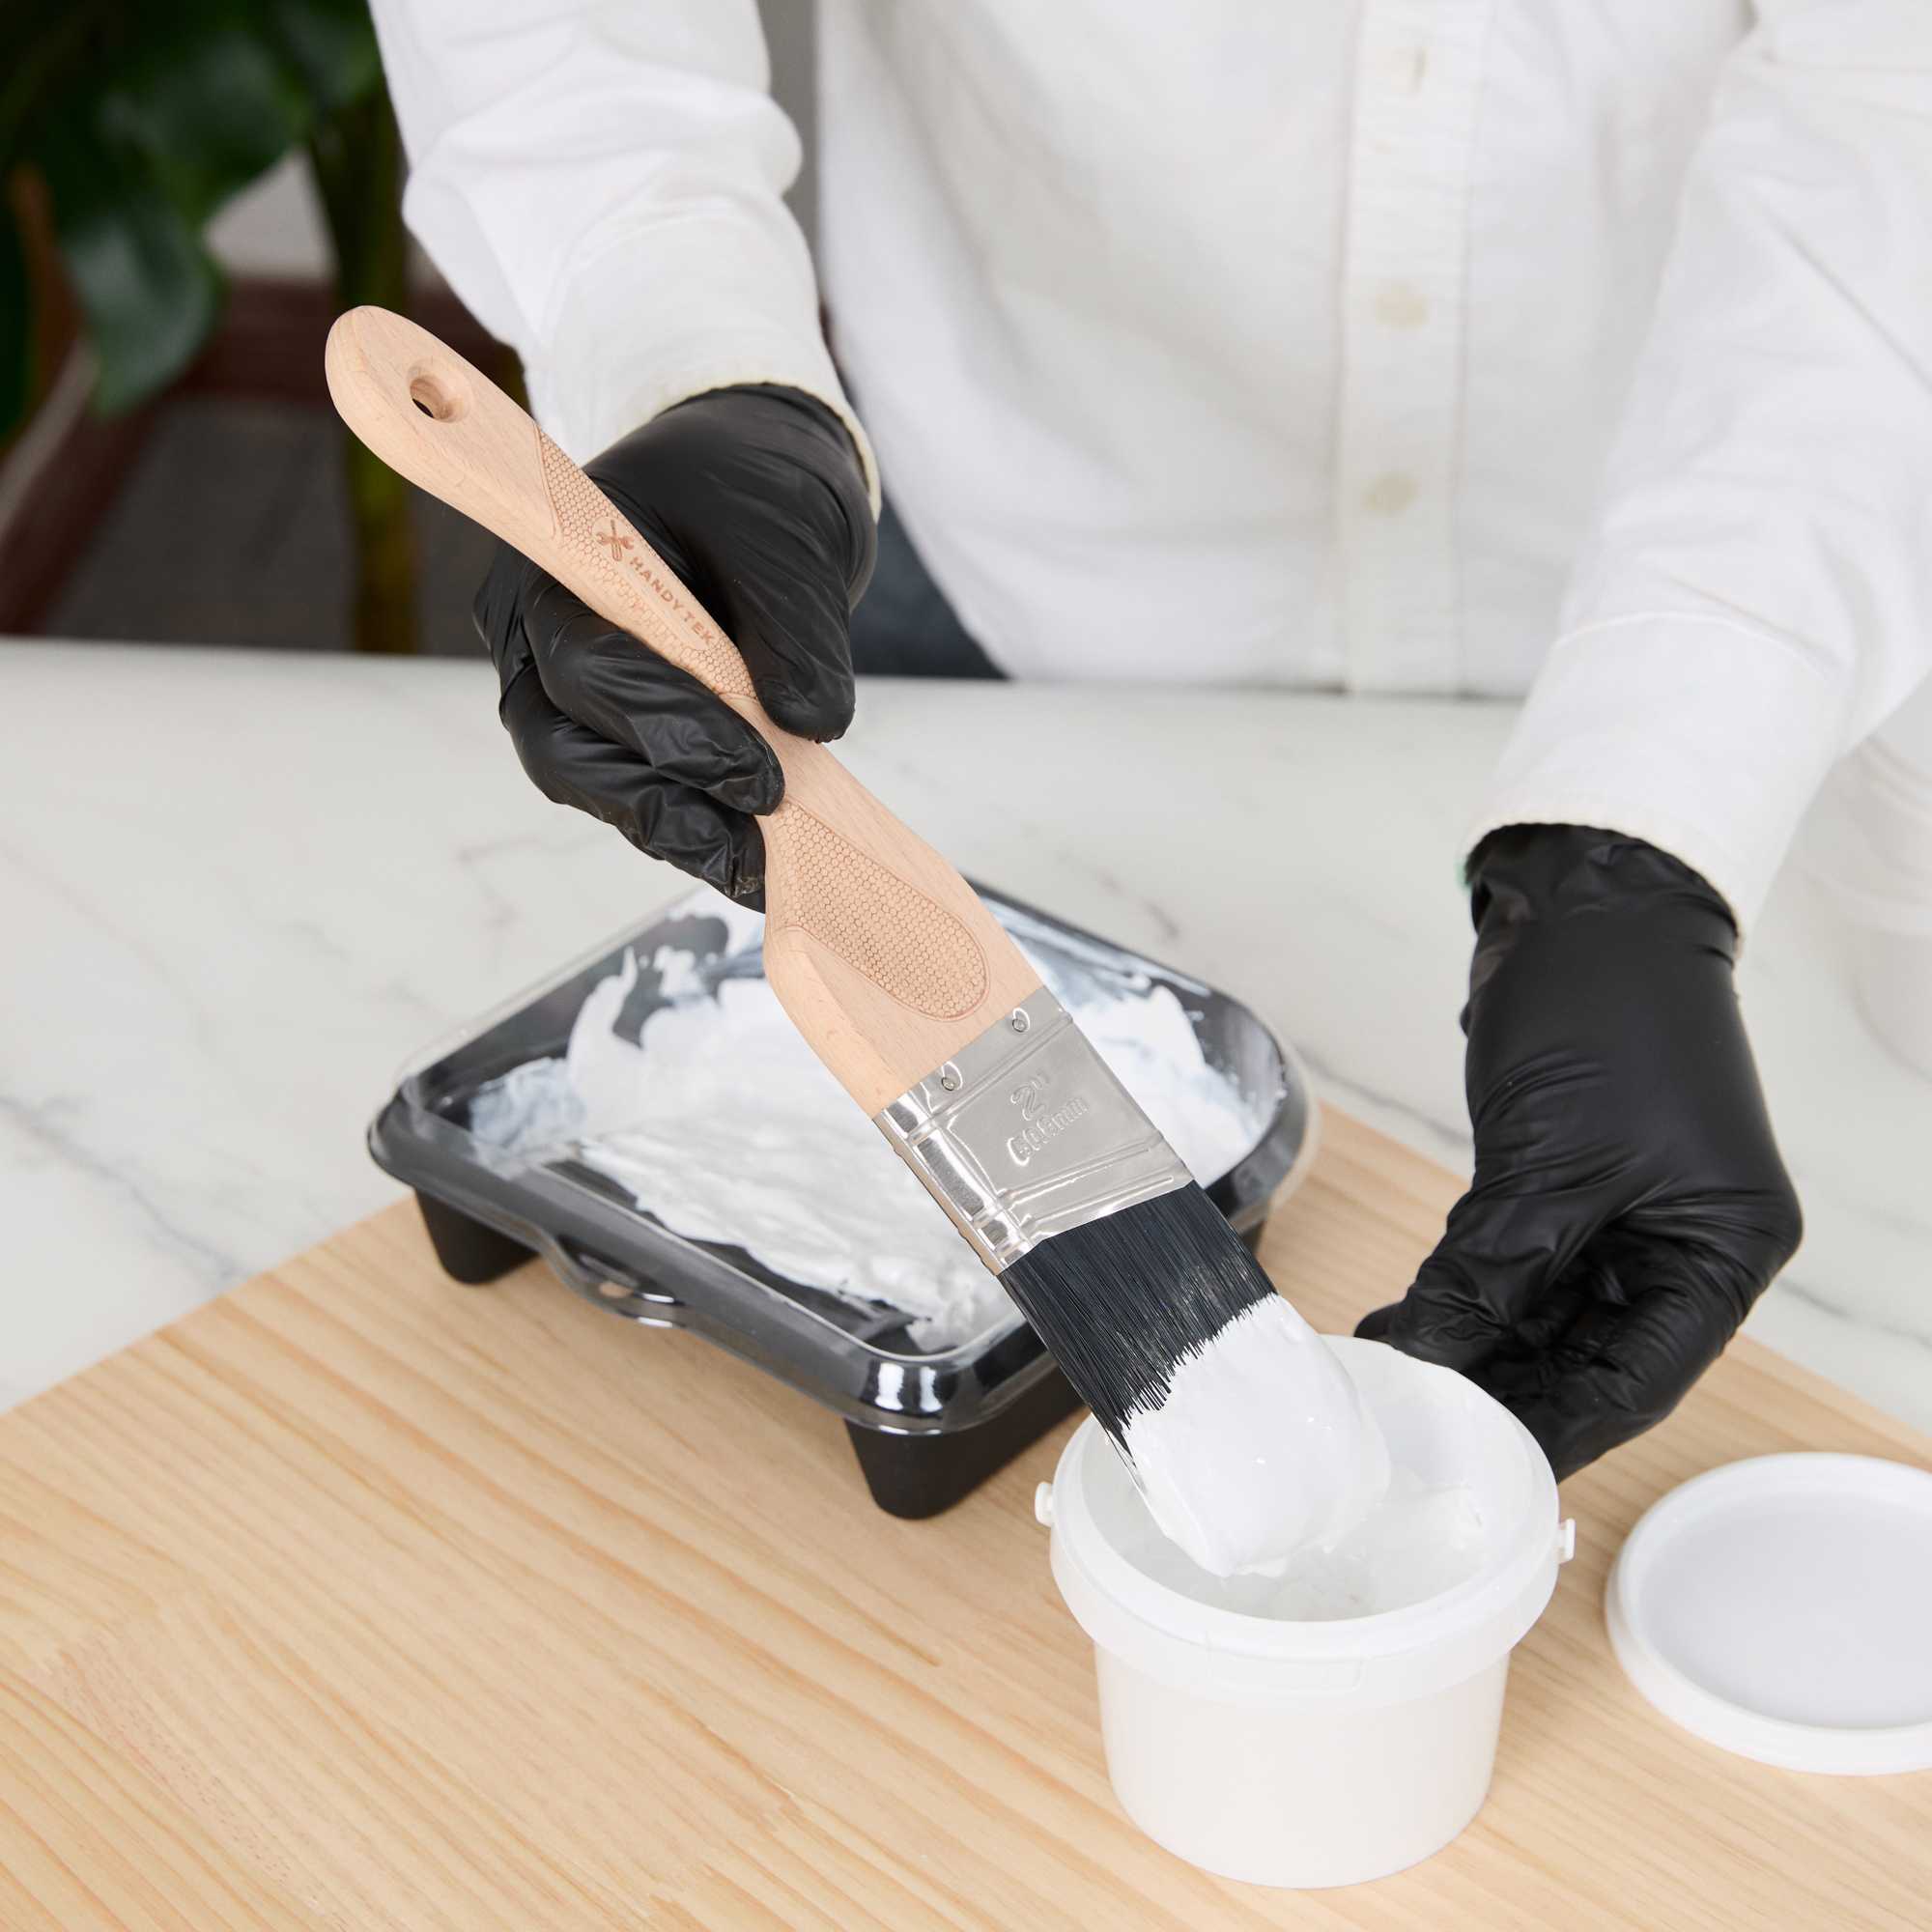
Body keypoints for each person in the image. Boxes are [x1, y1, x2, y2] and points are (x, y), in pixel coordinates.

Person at [366, 2, 1932, 1481]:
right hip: (1004, 523)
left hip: (1687, 554)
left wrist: (1641, 829)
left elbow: (1889, 103)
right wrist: (673, 332)